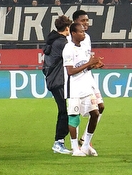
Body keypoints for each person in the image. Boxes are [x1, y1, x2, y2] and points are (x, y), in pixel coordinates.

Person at [62, 23, 103, 157]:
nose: (84, 34)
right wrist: (89, 63)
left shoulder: (85, 48)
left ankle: (85, 145)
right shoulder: (68, 49)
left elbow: (84, 68)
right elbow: (70, 71)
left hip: (86, 87)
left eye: (84, 32)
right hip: (73, 89)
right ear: (73, 33)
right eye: (81, 32)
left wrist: (94, 65)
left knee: (95, 113)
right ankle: (75, 149)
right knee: (74, 117)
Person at [43, 15, 75, 154]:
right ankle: (59, 142)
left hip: (54, 80)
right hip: (59, 80)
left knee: (64, 110)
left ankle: (60, 141)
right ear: (67, 28)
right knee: (66, 111)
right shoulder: (62, 43)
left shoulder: (53, 40)